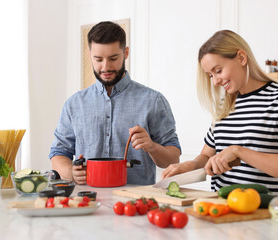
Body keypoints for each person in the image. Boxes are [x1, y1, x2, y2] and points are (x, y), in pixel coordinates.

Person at [162, 30, 278, 193]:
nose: (215, 82)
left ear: (241, 58)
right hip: (221, 211)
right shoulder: (225, 105)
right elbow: (207, 156)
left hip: (265, 213)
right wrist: (190, 165)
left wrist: (238, 151)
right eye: (210, 75)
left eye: (218, 71)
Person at [49, 21, 181, 185]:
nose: (105, 67)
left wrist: (151, 147)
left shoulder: (153, 101)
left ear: (125, 53)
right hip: (87, 202)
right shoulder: (74, 104)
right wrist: (72, 173)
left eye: (113, 58)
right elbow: (59, 152)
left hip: (135, 205)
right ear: (90, 54)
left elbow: (173, 159)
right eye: (98, 59)